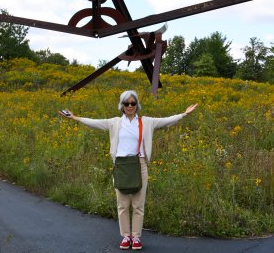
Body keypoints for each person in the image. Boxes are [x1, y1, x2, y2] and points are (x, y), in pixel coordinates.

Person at [59, 90, 198, 250]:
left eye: (133, 103)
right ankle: (126, 236)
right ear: (122, 106)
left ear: (137, 105)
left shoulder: (146, 122)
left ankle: (136, 237)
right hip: (121, 166)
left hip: (140, 165)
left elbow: (166, 121)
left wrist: (184, 114)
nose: (130, 106)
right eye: (127, 103)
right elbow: (95, 122)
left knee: (138, 205)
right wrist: (75, 117)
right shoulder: (115, 122)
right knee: (123, 205)